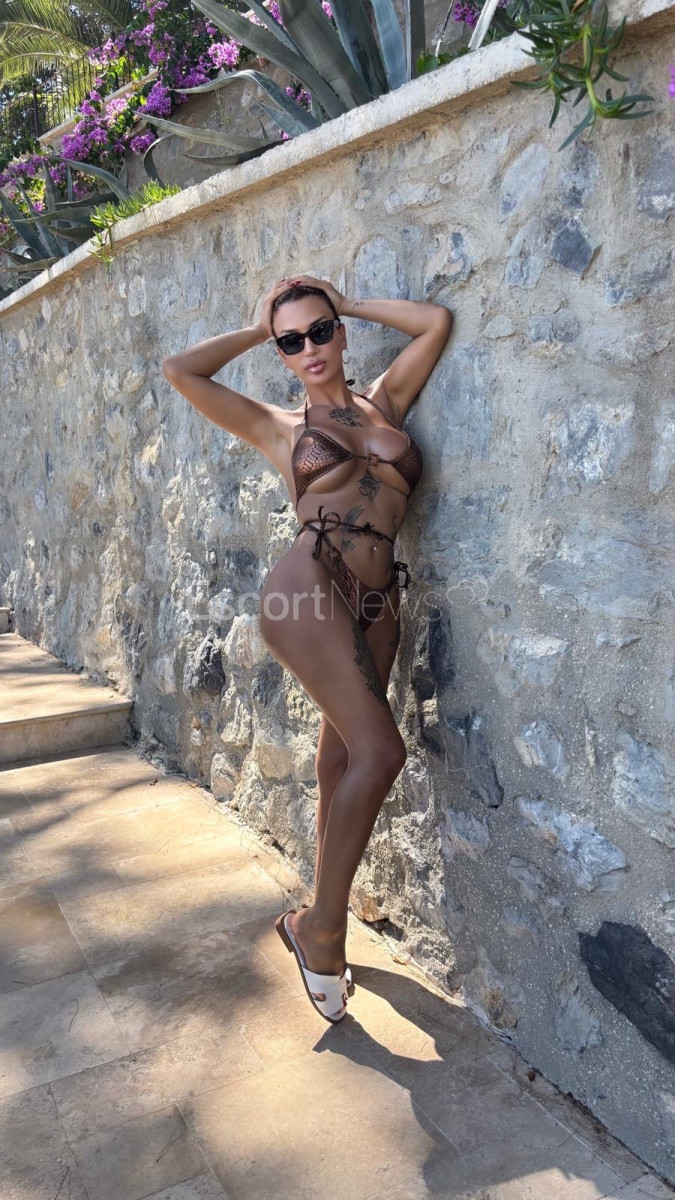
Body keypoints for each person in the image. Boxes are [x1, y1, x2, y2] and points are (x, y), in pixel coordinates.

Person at [163, 274, 453, 1021]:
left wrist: (344, 300)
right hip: (307, 585)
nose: (310, 347)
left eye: (321, 330)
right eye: (291, 341)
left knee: (342, 758)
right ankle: (318, 929)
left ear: (341, 334)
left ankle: (324, 907)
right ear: (281, 352)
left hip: (377, 601)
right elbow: (181, 370)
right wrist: (258, 325)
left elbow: (433, 322)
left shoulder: (385, 402)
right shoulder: (278, 426)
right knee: (380, 752)